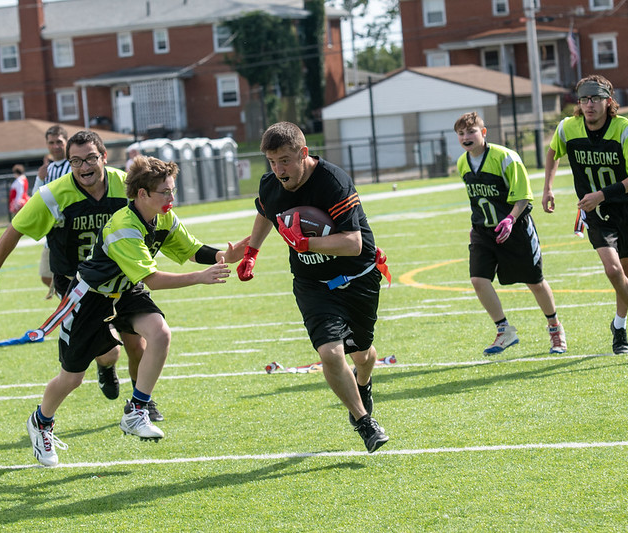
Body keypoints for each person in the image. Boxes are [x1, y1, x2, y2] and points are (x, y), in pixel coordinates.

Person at [25, 154, 248, 466]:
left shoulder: (163, 216)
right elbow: (153, 280)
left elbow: (192, 249)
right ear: (142, 194)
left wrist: (227, 254)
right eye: (166, 192)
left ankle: (137, 410)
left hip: (125, 289)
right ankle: (40, 421)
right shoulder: (124, 227)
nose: (172, 197)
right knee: (72, 378)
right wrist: (200, 278)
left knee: (159, 334)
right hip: (91, 296)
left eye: (173, 190)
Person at [236, 121, 390, 453]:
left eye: (285, 161)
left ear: (304, 154)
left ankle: (363, 383)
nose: (278, 170)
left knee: (362, 354)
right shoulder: (271, 184)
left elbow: (352, 243)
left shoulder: (333, 182)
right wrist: (251, 252)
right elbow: (266, 213)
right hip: (312, 284)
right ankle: (364, 422)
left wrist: (306, 243)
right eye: (272, 162)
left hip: (357, 278)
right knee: (331, 352)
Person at [0, 130, 144, 411]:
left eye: (90, 158)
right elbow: (15, 229)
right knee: (110, 352)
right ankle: (104, 368)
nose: (85, 167)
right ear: (68, 164)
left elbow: (156, 218)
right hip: (77, 285)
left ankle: (141, 405)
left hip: (120, 277)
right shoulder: (54, 194)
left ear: (103, 157)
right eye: (76, 161)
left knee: (140, 344)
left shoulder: (125, 186)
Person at [542, 75, 628, 357]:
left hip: (625, 208)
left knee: (626, 273)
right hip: (596, 212)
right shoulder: (568, 128)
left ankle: (619, 326)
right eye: (584, 99)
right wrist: (548, 187)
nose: (589, 105)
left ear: (608, 102)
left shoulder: (625, 129)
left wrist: (602, 193)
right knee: (613, 271)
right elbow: (552, 152)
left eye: (595, 99)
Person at [453, 112, 566, 356]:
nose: (465, 137)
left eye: (471, 131)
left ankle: (555, 328)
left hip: (515, 229)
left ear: (484, 133)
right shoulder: (462, 163)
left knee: (534, 281)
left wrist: (510, 219)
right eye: (461, 133)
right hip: (484, 231)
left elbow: (524, 196)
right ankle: (504, 330)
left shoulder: (506, 158)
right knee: (478, 279)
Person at [34, 125, 72, 296]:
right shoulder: (47, 170)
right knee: (45, 275)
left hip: (71, 231)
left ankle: (75, 307)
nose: (55, 146)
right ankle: (70, 303)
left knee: (68, 277)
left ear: (66, 142)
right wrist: (39, 179)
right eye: (51, 142)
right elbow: (36, 199)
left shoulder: (73, 166)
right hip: (53, 232)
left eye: (59, 142)